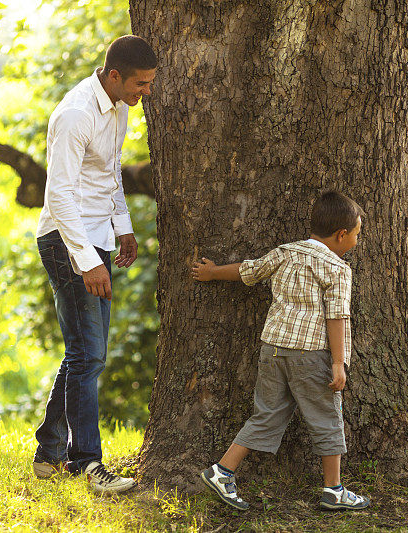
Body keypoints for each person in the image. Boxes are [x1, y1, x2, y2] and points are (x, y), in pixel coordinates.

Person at [32, 35, 157, 493]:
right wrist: (87, 260)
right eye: (140, 83)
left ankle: (49, 452)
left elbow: (110, 172)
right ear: (114, 74)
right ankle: (87, 464)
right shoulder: (75, 114)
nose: (146, 91)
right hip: (67, 243)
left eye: (149, 84)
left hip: (97, 239)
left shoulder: (120, 107)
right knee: (91, 356)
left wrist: (122, 225)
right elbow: (59, 195)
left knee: (84, 353)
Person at [193, 190, 370, 512]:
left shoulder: (286, 252)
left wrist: (213, 272)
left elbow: (248, 271)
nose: (357, 242)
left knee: (267, 414)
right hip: (310, 355)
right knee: (327, 418)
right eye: (357, 235)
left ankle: (222, 471)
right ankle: (334, 489)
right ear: (341, 234)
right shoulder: (337, 268)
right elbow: (337, 317)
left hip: (273, 349)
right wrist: (339, 362)